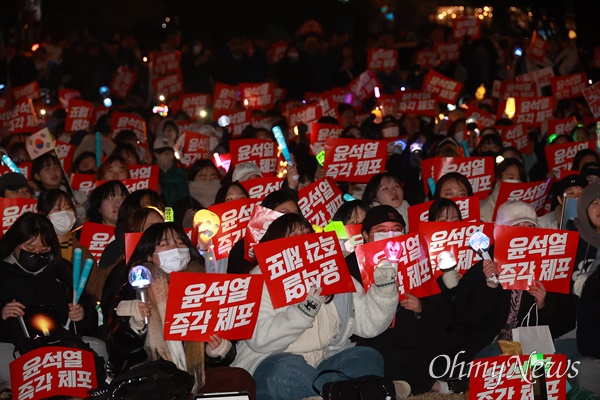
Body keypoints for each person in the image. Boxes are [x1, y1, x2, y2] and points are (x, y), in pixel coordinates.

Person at [231, 213, 399, 400]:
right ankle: (358, 391)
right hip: (273, 361)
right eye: (293, 234)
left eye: (306, 231)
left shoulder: (333, 270)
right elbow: (259, 339)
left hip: (324, 360)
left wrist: (384, 292)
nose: (302, 237)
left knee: (367, 356)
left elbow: (369, 326)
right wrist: (302, 313)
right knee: (283, 372)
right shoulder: (259, 277)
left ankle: (329, 393)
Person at [104, 223, 255, 398]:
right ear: (149, 256)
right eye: (165, 244)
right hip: (151, 378)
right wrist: (134, 327)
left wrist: (217, 351)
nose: (175, 248)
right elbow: (117, 348)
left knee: (236, 378)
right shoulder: (134, 290)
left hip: (194, 378)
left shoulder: (207, 287)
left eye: (180, 243)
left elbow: (223, 337)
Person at [0, 213, 101, 387]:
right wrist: (2, 315)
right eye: (30, 250)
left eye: (44, 251)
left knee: (99, 348)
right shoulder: (2, 272)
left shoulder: (62, 271)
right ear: (14, 244)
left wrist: (82, 314)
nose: (36, 255)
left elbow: (89, 314)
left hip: (60, 344)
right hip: (14, 346)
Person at [37, 189, 103, 302]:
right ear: (43, 214)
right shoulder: (35, 247)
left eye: (68, 208)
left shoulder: (79, 250)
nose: (65, 214)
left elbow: (96, 283)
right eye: (58, 209)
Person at [227, 190, 301, 274]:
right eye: (283, 213)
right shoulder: (243, 249)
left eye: (295, 214)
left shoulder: (304, 243)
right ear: (266, 216)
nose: (291, 219)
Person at [173, 159, 222, 228]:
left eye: (213, 177)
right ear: (192, 180)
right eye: (203, 178)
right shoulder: (180, 206)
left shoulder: (224, 202)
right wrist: (186, 224)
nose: (208, 181)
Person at [480, 158, 528, 222]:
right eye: (511, 178)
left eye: (519, 179)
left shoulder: (525, 206)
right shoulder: (484, 209)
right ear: (498, 179)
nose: (516, 182)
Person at [152, 137, 188, 207]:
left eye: (170, 152)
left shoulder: (183, 173)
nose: (167, 155)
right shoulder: (150, 174)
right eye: (163, 152)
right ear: (155, 154)